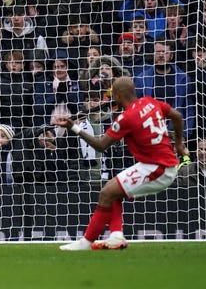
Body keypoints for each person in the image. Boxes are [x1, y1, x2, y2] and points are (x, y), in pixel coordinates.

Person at [55, 77, 189, 250]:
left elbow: (101, 145)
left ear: (117, 95)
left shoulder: (126, 117)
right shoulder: (150, 102)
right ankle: (116, 235)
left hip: (157, 168)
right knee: (112, 189)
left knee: (105, 193)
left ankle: (86, 242)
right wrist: (179, 143)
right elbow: (177, 116)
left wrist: (74, 127)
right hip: (158, 164)